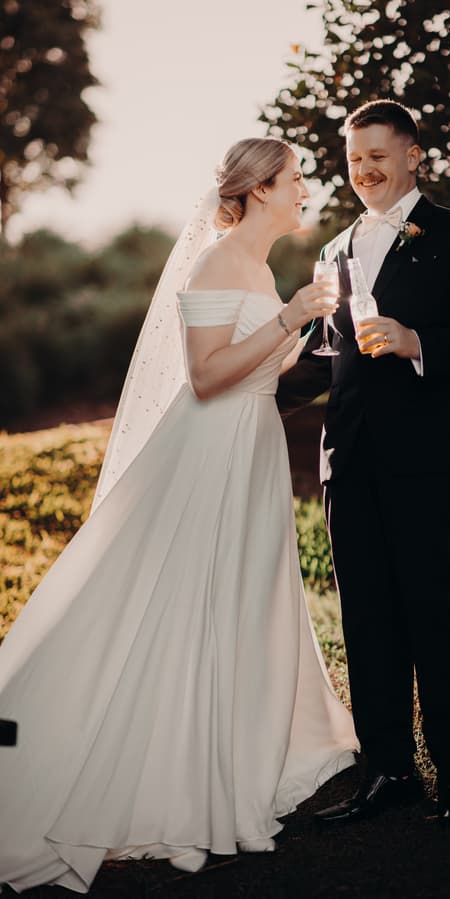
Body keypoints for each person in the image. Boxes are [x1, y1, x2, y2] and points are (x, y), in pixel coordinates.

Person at [0, 137, 358, 894]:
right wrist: (292, 315)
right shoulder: (217, 262)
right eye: (296, 177)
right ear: (259, 189)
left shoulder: (256, 267)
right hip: (210, 452)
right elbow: (205, 378)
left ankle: (224, 760)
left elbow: (260, 367)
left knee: (236, 604)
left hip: (250, 445)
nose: (306, 188)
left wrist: (319, 337)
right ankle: (180, 787)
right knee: (192, 605)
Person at [277, 100, 450, 824]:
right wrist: (249, 393)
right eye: (353, 160)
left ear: (413, 155)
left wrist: (418, 341)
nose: (365, 171)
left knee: (428, 613)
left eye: (378, 155)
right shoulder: (333, 251)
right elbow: (326, 361)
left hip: (426, 459)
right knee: (365, 619)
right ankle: (388, 770)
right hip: (345, 461)